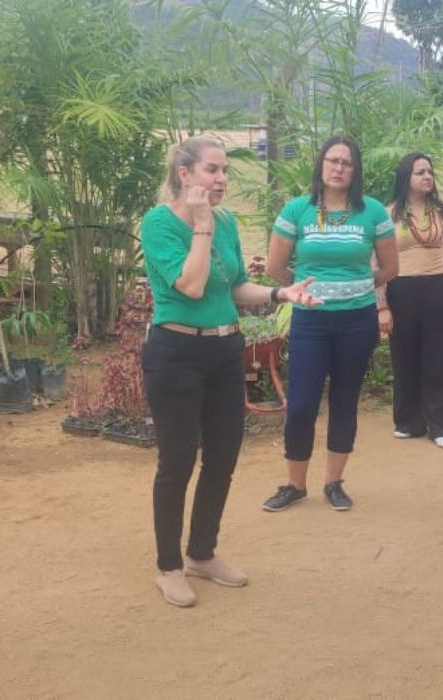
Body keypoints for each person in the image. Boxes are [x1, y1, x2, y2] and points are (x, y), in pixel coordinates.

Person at [140, 136, 319, 607]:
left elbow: (235, 285)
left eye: (224, 172)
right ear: (184, 174)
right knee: (176, 463)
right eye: (212, 170)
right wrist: (200, 226)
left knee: (223, 456)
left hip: (224, 351)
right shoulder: (159, 223)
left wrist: (282, 295)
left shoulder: (225, 222)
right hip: (175, 352)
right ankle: (169, 567)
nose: (221, 180)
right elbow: (193, 285)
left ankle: (202, 552)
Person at [262, 135, 398, 513]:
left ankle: (334, 483)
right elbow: (275, 268)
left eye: (347, 163)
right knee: (302, 404)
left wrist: (351, 288)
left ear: (356, 171)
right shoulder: (297, 211)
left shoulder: (372, 213)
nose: (339, 168)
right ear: (321, 166)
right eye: (333, 161)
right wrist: (305, 288)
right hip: (310, 321)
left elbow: (390, 269)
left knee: (344, 401)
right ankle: (294, 484)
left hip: (357, 321)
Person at [386, 152, 443, 449]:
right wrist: (381, 304)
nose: (427, 177)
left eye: (430, 172)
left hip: (436, 288)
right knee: (404, 355)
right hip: (400, 289)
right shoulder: (389, 213)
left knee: (438, 357)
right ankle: (408, 421)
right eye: (420, 172)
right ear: (406, 177)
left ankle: (442, 425)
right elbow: (376, 259)